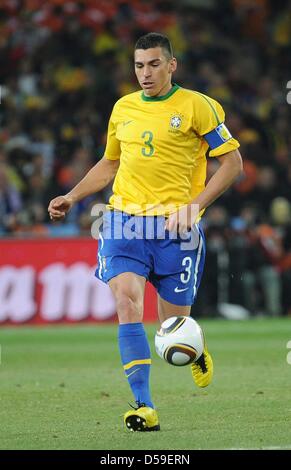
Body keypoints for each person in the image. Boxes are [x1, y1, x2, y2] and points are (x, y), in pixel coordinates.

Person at [48, 33, 243, 432]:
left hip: (177, 226)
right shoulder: (123, 108)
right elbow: (109, 163)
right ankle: (143, 405)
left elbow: (233, 163)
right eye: (139, 65)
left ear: (172, 65)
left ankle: (195, 346)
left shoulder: (197, 106)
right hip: (122, 219)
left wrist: (196, 206)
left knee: (171, 331)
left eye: (154, 64)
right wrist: (72, 196)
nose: (145, 73)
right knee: (127, 301)